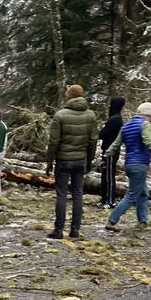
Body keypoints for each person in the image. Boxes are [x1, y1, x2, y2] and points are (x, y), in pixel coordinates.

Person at [45, 84, 98, 239]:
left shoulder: (60, 115)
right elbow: (93, 140)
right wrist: (89, 159)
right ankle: (75, 230)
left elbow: (54, 141)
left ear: (69, 96)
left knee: (61, 195)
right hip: (80, 159)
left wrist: (49, 161)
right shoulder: (91, 115)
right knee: (78, 194)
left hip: (63, 159)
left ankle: (58, 229)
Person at [104, 102, 151, 233]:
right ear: (148, 115)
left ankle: (142, 222)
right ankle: (112, 220)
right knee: (132, 195)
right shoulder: (145, 124)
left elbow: (116, 144)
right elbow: (148, 140)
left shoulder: (126, 126)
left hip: (129, 164)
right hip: (139, 164)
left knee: (143, 193)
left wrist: (106, 155)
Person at [97, 96, 125, 209]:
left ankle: (110, 201)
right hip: (109, 150)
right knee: (106, 175)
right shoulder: (115, 118)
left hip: (110, 151)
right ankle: (105, 199)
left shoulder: (115, 119)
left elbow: (103, 134)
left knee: (108, 176)